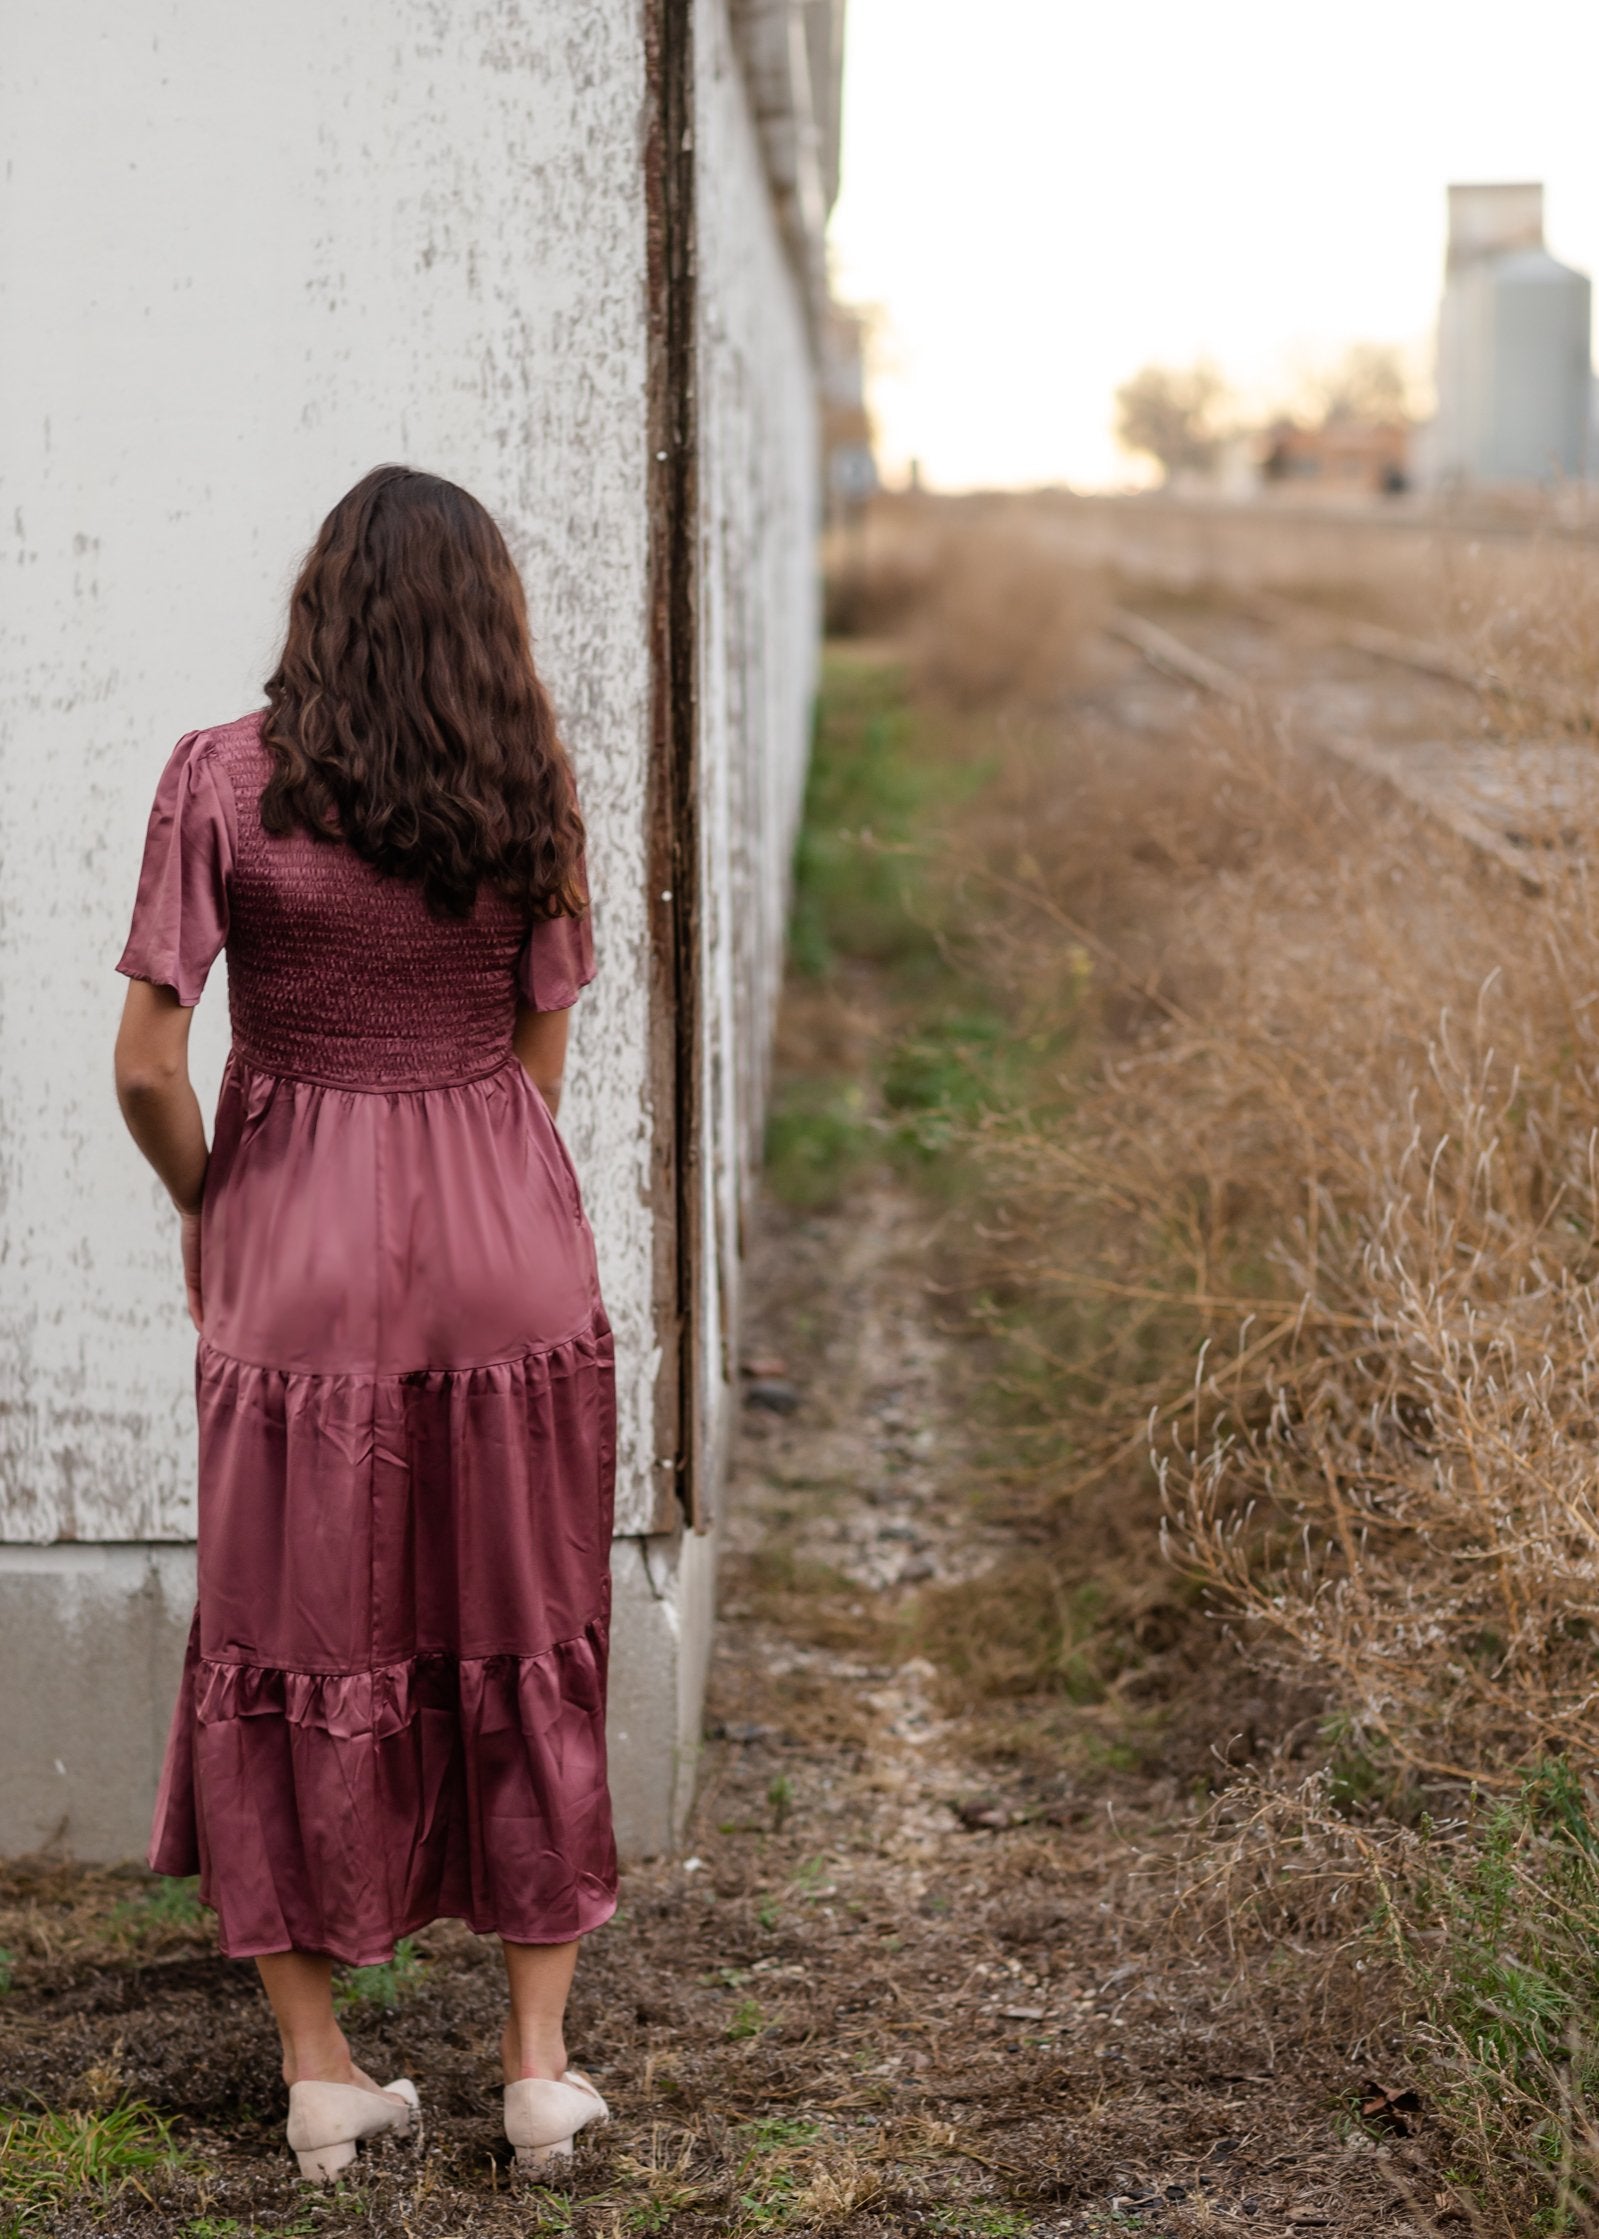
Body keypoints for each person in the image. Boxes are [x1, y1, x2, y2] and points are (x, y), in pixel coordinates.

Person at [111, 466, 617, 2184]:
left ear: (318, 600)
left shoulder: (222, 779)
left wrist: (220, 1195)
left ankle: (324, 2069)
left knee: (294, 1623)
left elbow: (141, 1063)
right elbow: (538, 1061)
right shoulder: (526, 787)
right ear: (491, 621)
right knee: (524, 1621)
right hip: (505, 1250)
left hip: (298, 1258)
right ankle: (538, 2072)